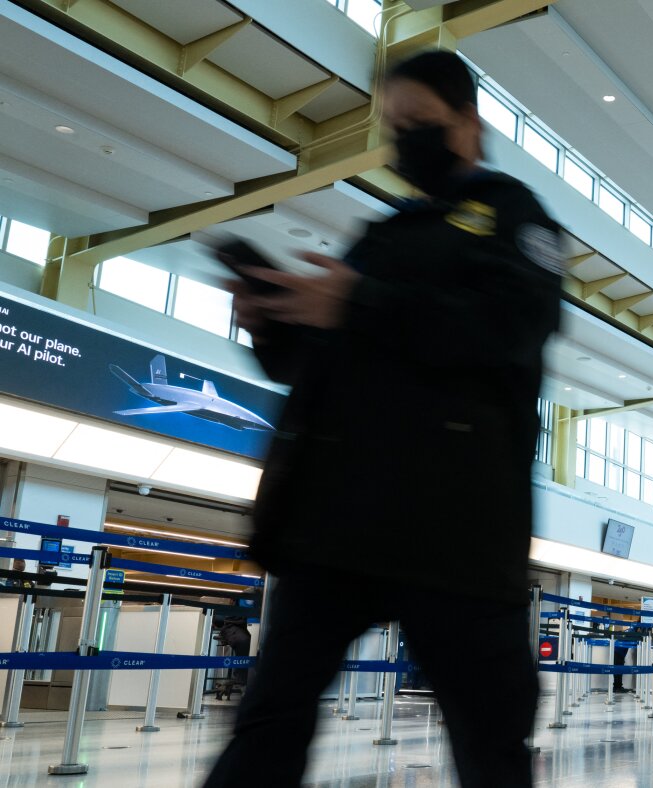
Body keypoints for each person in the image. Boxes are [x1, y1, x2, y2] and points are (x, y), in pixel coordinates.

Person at [202, 50, 562, 788]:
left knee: (490, 741)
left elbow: (511, 327)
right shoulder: (385, 232)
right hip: (338, 525)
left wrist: (358, 305)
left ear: (468, 121)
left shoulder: (513, 215)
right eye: (394, 127)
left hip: (454, 531)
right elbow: (326, 365)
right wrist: (276, 325)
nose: (406, 142)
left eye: (420, 124)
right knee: (269, 723)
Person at [611, 620, 645, 694]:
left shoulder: (629, 630)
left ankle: (618, 687)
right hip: (619, 651)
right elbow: (638, 640)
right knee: (618, 670)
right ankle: (617, 687)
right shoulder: (633, 632)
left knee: (618, 669)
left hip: (618, 649)